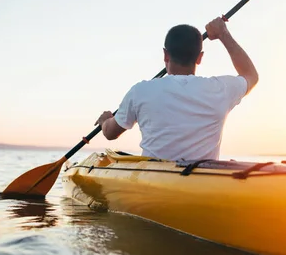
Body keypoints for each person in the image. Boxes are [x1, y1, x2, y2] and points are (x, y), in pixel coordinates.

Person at [94, 17, 259, 160]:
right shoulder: (220, 89)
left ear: (165, 55)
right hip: (200, 184)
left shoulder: (140, 91)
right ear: (200, 57)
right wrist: (223, 34)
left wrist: (105, 120)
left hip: (153, 182)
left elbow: (110, 133)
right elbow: (251, 75)